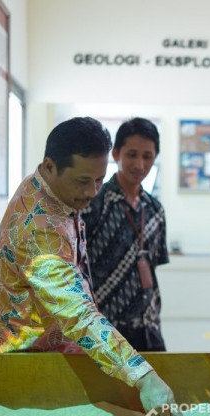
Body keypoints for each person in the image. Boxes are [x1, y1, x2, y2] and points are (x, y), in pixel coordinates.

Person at [0, 117, 178, 416]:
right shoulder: (38, 230)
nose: (92, 192)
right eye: (82, 181)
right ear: (50, 166)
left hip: (70, 351)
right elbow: (77, 313)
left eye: (99, 180)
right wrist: (143, 376)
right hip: (31, 368)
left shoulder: (53, 191)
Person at [82, 117, 169, 352]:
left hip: (148, 327)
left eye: (147, 157)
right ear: (116, 154)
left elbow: (154, 265)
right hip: (105, 328)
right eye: (132, 155)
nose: (139, 165)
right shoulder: (93, 204)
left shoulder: (155, 210)